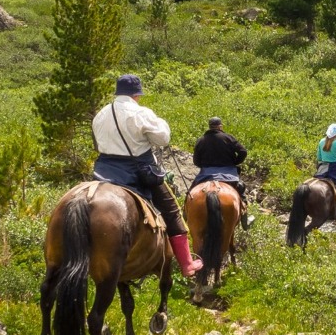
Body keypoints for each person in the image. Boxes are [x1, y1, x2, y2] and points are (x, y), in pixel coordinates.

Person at [91, 75, 202, 276]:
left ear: (118, 92)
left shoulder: (101, 114)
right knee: (171, 209)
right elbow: (163, 138)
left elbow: (98, 144)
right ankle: (186, 264)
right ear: (136, 95)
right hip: (136, 171)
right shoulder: (140, 113)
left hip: (104, 171)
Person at [191, 117, 254, 227]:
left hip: (206, 174)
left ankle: (185, 214)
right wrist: (234, 162)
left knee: (191, 192)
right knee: (241, 190)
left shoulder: (201, 140)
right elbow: (243, 151)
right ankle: (245, 219)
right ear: (220, 126)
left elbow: (196, 161)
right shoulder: (228, 138)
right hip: (228, 174)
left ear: (209, 126)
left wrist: (205, 165)